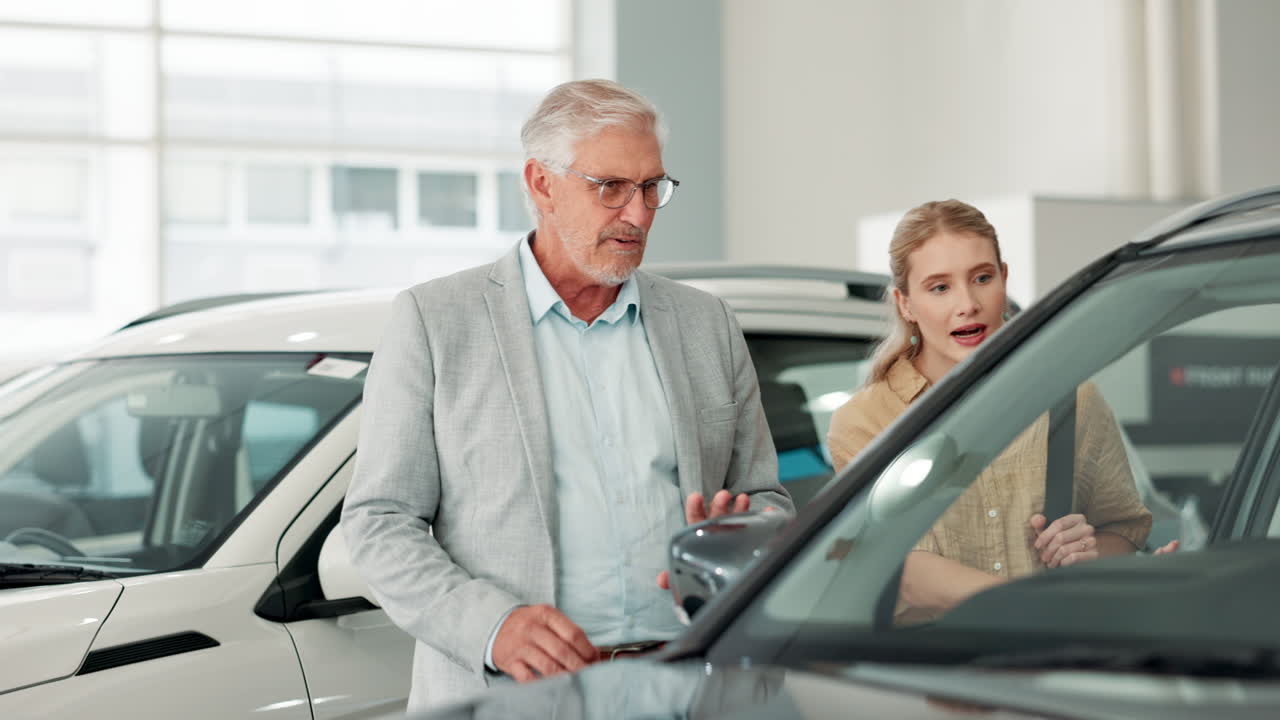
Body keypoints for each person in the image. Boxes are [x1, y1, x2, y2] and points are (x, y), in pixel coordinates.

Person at [341, 78, 793, 711]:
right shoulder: (437, 320)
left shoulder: (705, 324)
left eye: (651, 188)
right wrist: (491, 627)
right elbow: (379, 519)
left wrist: (742, 538)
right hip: (508, 696)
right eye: (610, 187)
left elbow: (766, 497)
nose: (638, 214)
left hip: (688, 689)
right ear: (542, 183)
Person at [826, 199, 1175, 620]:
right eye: (940, 287)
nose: (968, 303)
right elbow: (903, 570)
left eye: (982, 278)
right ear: (905, 304)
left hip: (1052, 667)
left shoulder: (1071, 398)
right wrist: (1031, 602)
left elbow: (1123, 529)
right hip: (927, 673)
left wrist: (1087, 553)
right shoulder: (865, 422)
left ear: (1004, 279)